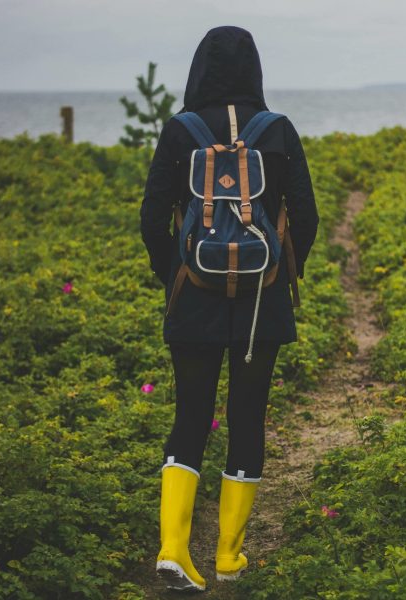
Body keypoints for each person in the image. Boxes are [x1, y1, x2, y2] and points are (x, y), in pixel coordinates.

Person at [140, 25, 319, 592]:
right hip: (261, 302)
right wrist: (280, 272)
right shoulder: (278, 129)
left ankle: (173, 551)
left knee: (190, 416)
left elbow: (150, 218)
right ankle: (229, 560)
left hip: (192, 297)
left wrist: (177, 273)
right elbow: (307, 217)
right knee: (246, 419)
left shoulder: (180, 131)